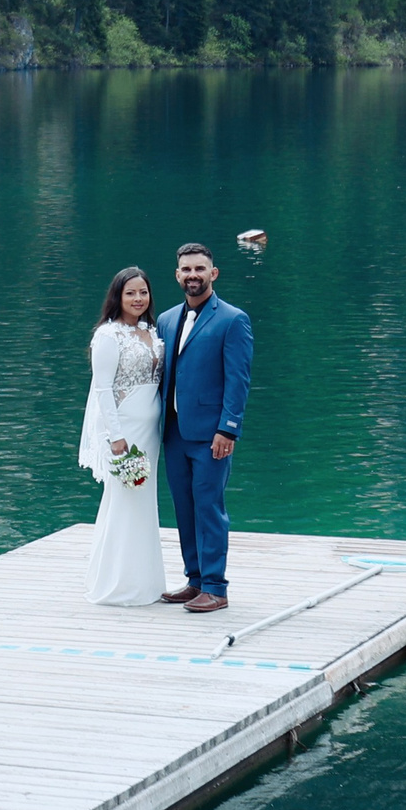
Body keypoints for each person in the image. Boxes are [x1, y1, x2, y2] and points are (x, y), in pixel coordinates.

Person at [156, 241, 252, 614]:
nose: (192, 275)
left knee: (209, 507)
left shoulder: (232, 319)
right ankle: (194, 580)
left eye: (200, 269)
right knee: (183, 507)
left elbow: (238, 380)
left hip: (212, 433)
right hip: (174, 431)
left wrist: (228, 429)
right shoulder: (165, 320)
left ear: (213, 274)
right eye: (186, 269)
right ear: (177, 274)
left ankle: (216, 586)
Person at [79, 267, 166, 605]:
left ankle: (146, 582)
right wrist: (116, 438)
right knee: (126, 500)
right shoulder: (108, 335)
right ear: (118, 296)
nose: (138, 299)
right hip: (126, 430)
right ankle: (117, 584)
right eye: (130, 293)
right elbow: (103, 389)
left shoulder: (151, 331)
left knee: (145, 503)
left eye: (143, 292)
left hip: (151, 431)